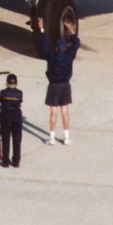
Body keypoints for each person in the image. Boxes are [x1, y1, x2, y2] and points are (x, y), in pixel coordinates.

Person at [37, 17, 78, 145]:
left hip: (54, 86)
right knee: (65, 112)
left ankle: (52, 137)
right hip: (65, 86)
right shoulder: (69, 55)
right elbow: (76, 44)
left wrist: (41, 29)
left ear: (56, 48)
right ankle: (66, 137)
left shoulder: (52, 56)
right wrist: (71, 31)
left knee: (53, 113)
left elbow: (43, 44)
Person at [0, 73, 23, 168]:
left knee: (6, 138)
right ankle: (16, 161)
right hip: (16, 115)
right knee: (17, 139)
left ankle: (5, 161)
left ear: (6, 83)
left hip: (5, 115)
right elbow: (20, 101)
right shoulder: (20, 93)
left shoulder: (3, 92)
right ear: (16, 83)